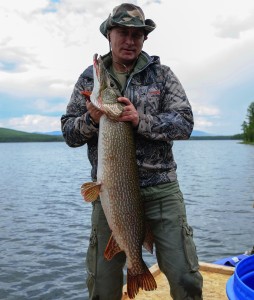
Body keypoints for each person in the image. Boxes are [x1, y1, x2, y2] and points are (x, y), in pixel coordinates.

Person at [61, 3, 203, 300]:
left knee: (184, 274)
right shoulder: (90, 78)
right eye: (122, 33)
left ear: (144, 39)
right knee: (103, 281)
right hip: (110, 194)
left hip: (161, 189)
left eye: (137, 34)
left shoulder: (162, 75)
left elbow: (185, 124)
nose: (129, 40)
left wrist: (140, 120)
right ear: (109, 35)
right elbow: (69, 133)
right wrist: (92, 118)